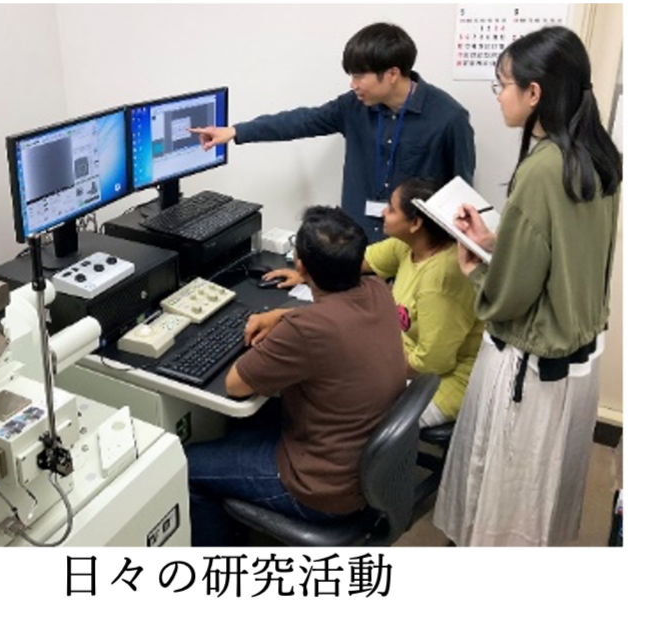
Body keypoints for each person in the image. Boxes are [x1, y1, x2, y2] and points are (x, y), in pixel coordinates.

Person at [433, 26, 623, 546]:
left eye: (503, 84)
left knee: (507, 500)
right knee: (546, 493)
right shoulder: (599, 155)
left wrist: (477, 271)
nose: (499, 96)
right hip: (578, 359)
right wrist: (498, 241)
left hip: (531, 364)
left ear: (534, 92)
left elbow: (511, 296)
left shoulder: (542, 169)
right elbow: (567, 249)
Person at [184, 207, 406, 546]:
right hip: (363, 468)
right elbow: (330, 316)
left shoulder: (308, 330)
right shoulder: (376, 288)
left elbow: (235, 385)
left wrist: (279, 329)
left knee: (187, 467)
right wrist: (281, 316)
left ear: (300, 266)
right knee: (244, 424)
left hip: (319, 490)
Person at [190, 22, 475, 242]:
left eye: (359, 75)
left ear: (391, 74)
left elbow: (461, 192)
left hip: (413, 249)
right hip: (357, 239)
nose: (353, 84)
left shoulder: (449, 118)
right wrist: (235, 131)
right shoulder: (353, 106)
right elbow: (301, 121)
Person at [264, 178, 483, 427]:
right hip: (399, 356)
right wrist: (308, 272)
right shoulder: (409, 246)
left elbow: (433, 363)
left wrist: (370, 366)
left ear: (416, 223)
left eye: (391, 209)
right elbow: (353, 260)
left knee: (334, 399)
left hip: (437, 385)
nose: (383, 212)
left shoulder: (441, 280)